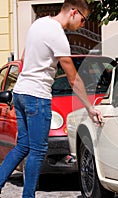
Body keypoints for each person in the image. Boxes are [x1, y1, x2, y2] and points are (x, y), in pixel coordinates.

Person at [0, 0, 102, 197]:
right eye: (83, 19)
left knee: (23, 146)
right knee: (38, 151)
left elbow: (23, 59)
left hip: (21, 92)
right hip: (37, 96)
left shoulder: (37, 24)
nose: (82, 24)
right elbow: (73, 79)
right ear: (73, 12)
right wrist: (90, 108)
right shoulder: (57, 35)